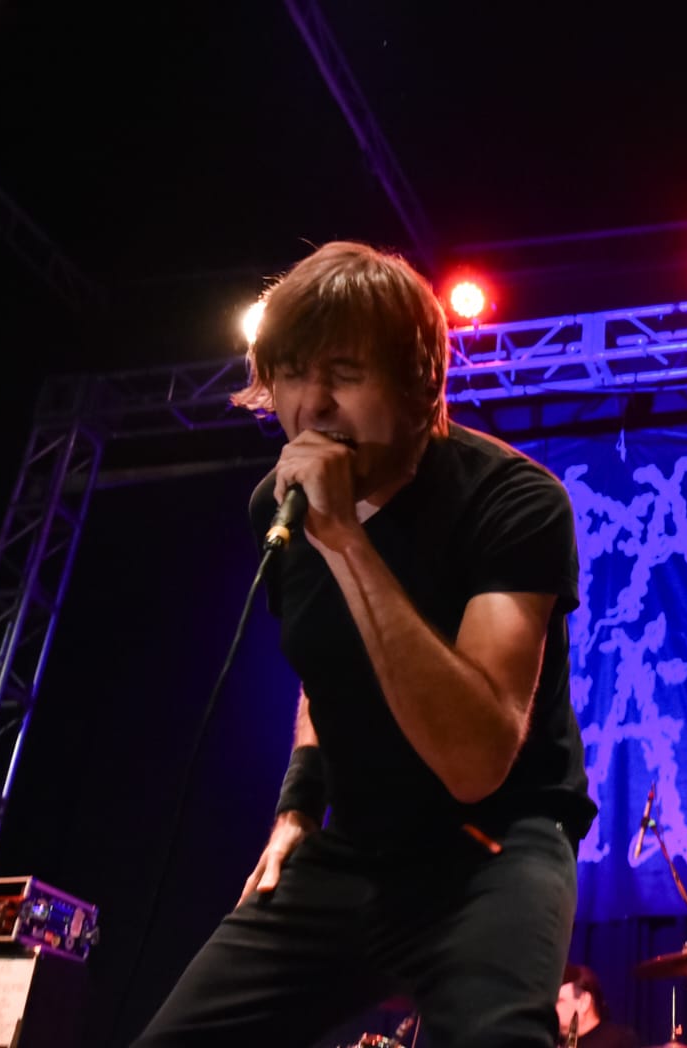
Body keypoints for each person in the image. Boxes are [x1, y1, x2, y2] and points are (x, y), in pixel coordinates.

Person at [134, 240, 597, 1047]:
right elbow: (329, 675)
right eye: (291, 374)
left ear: (419, 386)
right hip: (354, 852)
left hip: (491, 850)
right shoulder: (273, 510)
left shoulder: (512, 502)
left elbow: (476, 759)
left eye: (344, 374)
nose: (312, 405)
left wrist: (347, 540)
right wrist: (297, 806)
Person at [555, 965, 640, 1048]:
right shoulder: (552, 1040)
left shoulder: (620, 1041)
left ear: (583, 1002)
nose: (551, 1007)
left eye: (558, 1001)